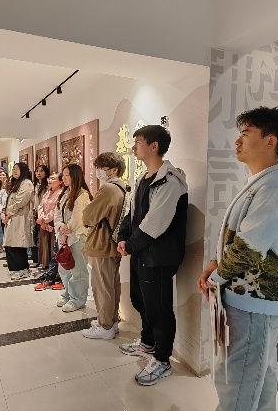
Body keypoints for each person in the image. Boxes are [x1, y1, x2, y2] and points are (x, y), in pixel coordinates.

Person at [176, 107, 278, 411]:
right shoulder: (266, 181)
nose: (238, 141)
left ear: (270, 140)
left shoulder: (276, 187)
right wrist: (215, 266)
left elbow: (249, 246)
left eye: (246, 133)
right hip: (254, 297)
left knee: (242, 371)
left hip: (257, 297)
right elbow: (242, 239)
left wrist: (216, 276)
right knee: (260, 365)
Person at [116, 125, 187, 386]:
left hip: (158, 256)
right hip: (141, 252)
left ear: (153, 146)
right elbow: (132, 213)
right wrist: (123, 237)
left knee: (159, 308)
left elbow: (155, 222)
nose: (133, 147)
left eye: (138, 142)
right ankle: (147, 343)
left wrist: (130, 245)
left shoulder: (170, 181)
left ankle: (162, 359)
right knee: (140, 299)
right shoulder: (143, 178)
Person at [81, 152, 128, 340]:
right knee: (111, 284)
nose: (98, 171)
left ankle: (105, 325)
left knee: (102, 286)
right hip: (114, 243)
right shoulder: (122, 187)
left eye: (102, 168)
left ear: (113, 170)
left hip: (103, 242)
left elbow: (88, 216)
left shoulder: (108, 189)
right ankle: (111, 321)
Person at [54, 164, 92, 312]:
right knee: (65, 268)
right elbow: (57, 213)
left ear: (75, 176)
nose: (64, 178)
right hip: (64, 237)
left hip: (76, 237)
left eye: (67, 175)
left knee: (78, 270)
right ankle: (68, 294)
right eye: (63, 174)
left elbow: (77, 219)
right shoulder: (65, 193)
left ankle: (78, 300)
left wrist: (66, 232)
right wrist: (60, 226)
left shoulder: (83, 195)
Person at [2, 163, 35, 280]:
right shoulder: (17, 183)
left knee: (16, 245)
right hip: (13, 217)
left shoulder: (27, 184)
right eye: (13, 169)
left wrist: (8, 213)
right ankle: (20, 269)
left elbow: (20, 202)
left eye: (17, 169)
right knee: (13, 244)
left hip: (20, 218)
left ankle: (20, 270)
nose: (14, 171)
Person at [33, 172, 63, 290]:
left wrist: (45, 220)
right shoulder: (47, 192)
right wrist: (41, 219)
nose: (50, 180)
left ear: (60, 182)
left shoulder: (61, 193)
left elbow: (56, 209)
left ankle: (57, 274)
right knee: (46, 248)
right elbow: (40, 206)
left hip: (53, 223)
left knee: (55, 249)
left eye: (53, 179)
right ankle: (50, 272)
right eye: (50, 178)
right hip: (44, 223)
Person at [30, 165, 50, 268]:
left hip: (43, 215)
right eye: (37, 171)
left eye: (41, 171)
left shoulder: (47, 186)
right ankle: (36, 259)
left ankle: (43, 260)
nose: (38, 173)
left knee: (42, 238)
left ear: (46, 173)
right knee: (34, 236)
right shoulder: (33, 185)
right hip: (34, 213)